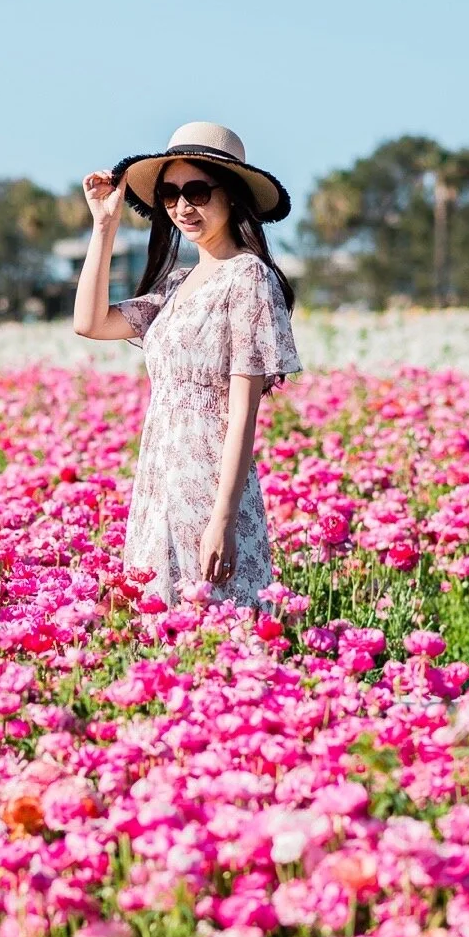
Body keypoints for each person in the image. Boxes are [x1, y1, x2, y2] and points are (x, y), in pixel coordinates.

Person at [72, 121, 302, 613]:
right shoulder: (176, 285)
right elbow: (89, 322)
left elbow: (243, 413)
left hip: (210, 491)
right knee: (160, 644)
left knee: (218, 642)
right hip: (157, 482)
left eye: (197, 190)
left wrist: (222, 518)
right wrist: (104, 226)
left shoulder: (248, 279)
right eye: (170, 194)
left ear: (233, 195)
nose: (183, 206)